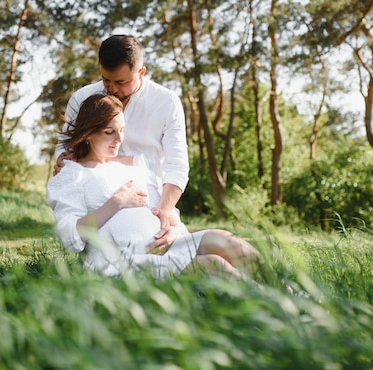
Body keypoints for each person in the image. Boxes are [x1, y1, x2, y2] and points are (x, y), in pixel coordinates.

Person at [46, 94, 264, 280]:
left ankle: (283, 288)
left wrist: (172, 227)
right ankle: (274, 308)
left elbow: (160, 208)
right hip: (121, 263)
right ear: (88, 133)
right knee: (213, 264)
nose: (119, 139)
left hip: (166, 247)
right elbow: (70, 238)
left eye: (122, 130)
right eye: (109, 132)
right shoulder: (72, 174)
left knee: (223, 239)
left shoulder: (133, 164)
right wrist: (117, 202)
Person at [53, 34, 187, 255]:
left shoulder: (166, 102)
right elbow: (66, 151)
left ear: (141, 72)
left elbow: (177, 167)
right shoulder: (83, 98)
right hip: (98, 208)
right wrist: (63, 159)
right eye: (106, 80)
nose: (112, 89)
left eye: (121, 82)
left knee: (219, 247)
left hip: (154, 205)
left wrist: (165, 213)